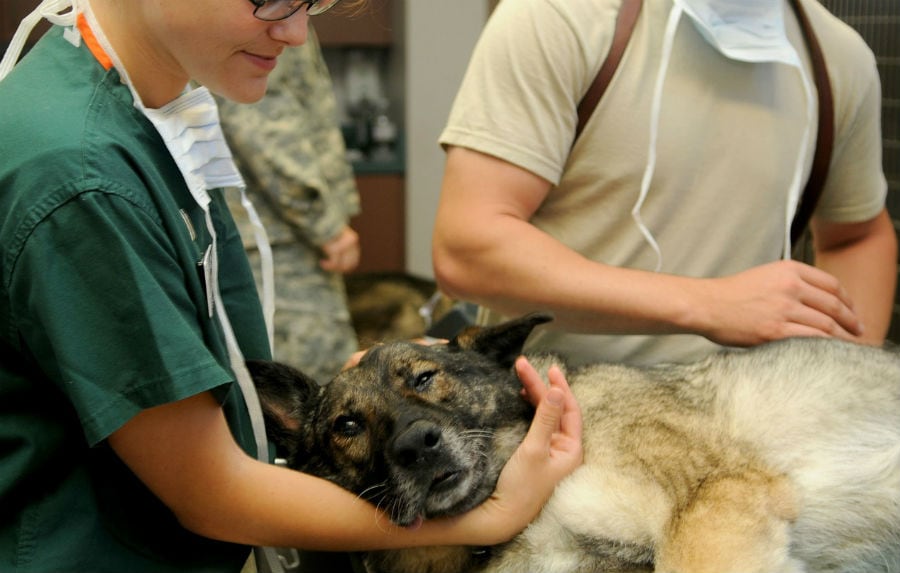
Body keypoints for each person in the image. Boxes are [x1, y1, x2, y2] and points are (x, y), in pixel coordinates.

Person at [0, 1, 583, 573]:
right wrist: (494, 515)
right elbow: (210, 492)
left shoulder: (150, 108)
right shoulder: (83, 180)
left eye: (314, 3)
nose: (298, 34)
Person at [433, 0, 897, 367]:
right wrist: (708, 304)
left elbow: (858, 234)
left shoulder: (837, 57)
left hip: (750, 422)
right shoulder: (561, 16)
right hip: (557, 418)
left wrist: (845, 375)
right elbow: (469, 248)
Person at [216, 26, 361, 385]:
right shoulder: (270, 13)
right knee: (313, 393)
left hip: (270, 231)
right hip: (277, 238)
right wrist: (325, 224)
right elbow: (262, 123)